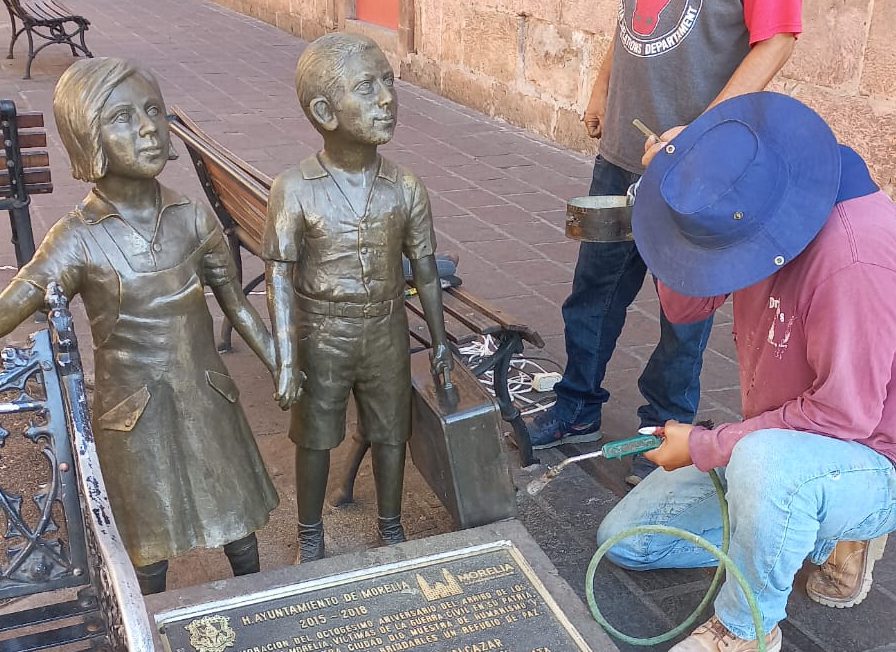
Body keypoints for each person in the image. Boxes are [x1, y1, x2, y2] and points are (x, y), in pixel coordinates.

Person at [597, 92, 896, 651]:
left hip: (868, 452)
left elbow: (843, 416)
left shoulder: (856, 259)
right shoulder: (761, 198)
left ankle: (744, 631)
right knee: (626, 542)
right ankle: (794, 530)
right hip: (788, 439)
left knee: (765, 462)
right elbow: (685, 307)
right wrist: (681, 200)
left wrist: (706, 447)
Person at [0, 58, 280, 595]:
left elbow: (237, 307)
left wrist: (280, 363)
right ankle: (147, 617)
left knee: (237, 515)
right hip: (133, 413)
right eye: (123, 118)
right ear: (88, 139)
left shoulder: (192, 218)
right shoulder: (75, 238)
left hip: (205, 392)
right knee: (149, 533)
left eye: (153, 111)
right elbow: (21, 297)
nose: (149, 128)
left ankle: (255, 601)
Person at [529, 0, 802, 487]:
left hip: (699, 165)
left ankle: (664, 430)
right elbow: (630, 20)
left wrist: (700, 133)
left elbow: (778, 38)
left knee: (684, 314)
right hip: (622, 154)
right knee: (594, 289)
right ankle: (576, 406)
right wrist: (601, 87)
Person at [264, 33, 452, 563]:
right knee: (315, 434)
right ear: (325, 111)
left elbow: (426, 271)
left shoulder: (406, 186)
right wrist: (284, 358)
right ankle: (309, 532)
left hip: (387, 328)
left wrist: (439, 342)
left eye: (389, 82)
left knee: (392, 430)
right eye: (367, 88)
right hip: (322, 331)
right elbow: (278, 272)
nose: (388, 99)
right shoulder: (295, 188)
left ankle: (391, 527)